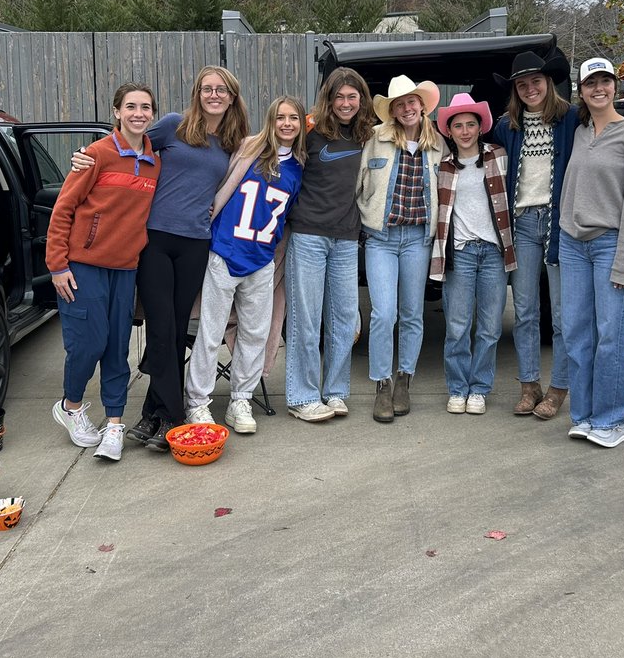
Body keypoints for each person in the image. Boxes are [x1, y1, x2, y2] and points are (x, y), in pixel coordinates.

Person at [71, 66, 249, 451]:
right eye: (207, 88)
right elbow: (127, 145)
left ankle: (152, 413)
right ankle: (173, 416)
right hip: (154, 239)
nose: (214, 95)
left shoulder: (234, 142)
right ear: (197, 93)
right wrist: (87, 156)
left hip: (196, 243)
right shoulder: (173, 126)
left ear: (232, 97)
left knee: (177, 329)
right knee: (161, 327)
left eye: (221, 90)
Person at [48, 83, 160, 461]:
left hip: (125, 270)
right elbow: (63, 210)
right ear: (116, 112)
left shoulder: (155, 162)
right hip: (83, 268)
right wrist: (57, 265)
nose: (138, 114)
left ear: (153, 114)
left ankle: (114, 424)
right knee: (88, 343)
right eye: (131, 107)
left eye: (145, 108)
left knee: (116, 349)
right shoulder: (95, 155)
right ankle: (71, 406)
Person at [184, 97, 307, 433]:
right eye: (280, 117)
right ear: (270, 120)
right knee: (210, 332)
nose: (286, 123)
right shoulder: (248, 149)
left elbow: (286, 216)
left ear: (301, 124)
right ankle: (197, 402)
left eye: (293, 118)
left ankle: (241, 398)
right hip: (225, 251)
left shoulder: (299, 166)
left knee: (255, 332)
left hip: (262, 258)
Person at [559, 57, 624, 449]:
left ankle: (613, 419)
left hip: (610, 246)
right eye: (591, 83)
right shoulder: (581, 132)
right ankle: (584, 415)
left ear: (616, 87)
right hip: (573, 245)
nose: (598, 88)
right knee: (576, 332)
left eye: (605, 81)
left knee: (612, 335)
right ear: (581, 91)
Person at [489, 50, 580, 422]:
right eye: (522, 84)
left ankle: (559, 387)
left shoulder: (571, 119)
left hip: (559, 222)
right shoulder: (506, 127)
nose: (530, 89)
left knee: (561, 313)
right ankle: (529, 385)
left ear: (548, 83)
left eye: (536, 82)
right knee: (525, 310)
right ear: (515, 90)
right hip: (523, 222)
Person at [284, 67, 376, 423]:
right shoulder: (309, 131)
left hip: (347, 237)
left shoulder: (367, 135)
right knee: (306, 321)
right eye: (339, 97)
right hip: (309, 234)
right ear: (328, 99)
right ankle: (302, 397)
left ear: (362, 100)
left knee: (343, 320)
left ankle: (335, 392)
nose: (346, 103)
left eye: (352, 96)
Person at [357, 75, 442, 422]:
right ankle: (382, 383)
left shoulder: (438, 143)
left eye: (412, 102)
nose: (407, 108)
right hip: (382, 238)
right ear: (392, 111)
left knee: (412, 313)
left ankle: (405, 378)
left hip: (418, 239)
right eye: (400, 104)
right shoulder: (375, 140)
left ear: (422, 106)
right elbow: (358, 183)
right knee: (383, 313)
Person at [429, 93, 516, 414]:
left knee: (490, 327)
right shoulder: (443, 166)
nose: (465, 131)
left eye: (470, 124)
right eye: (458, 126)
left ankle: (479, 388)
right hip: (461, 252)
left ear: (481, 128)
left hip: (494, 252)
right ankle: (457, 388)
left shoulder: (499, 156)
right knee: (457, 326)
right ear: (449, 131)